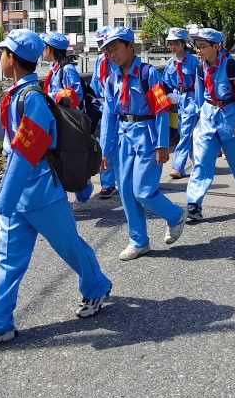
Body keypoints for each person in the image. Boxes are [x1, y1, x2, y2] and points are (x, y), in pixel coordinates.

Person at [0, 30, 112, 350]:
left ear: (12, 58)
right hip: (23, 192)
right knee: (8, 261)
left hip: (40, 191)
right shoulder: (22, 92)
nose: (0, 59)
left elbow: (27, 152)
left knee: (70, 248)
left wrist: (4, 197)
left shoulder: (32, 98)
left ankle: (96, 287)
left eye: (2, 54)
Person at [98, 27, 186, 259]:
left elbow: (161, 110)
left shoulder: (148, 74)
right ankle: (138, 241)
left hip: (148, 137)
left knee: (143, 191)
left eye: (115, 49)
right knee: (126, 192)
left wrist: (162, 145)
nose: (112, 55)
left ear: (130, 46)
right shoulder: (111, 79)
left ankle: (176, 215)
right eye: (108, 51)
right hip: (124, 139)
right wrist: (105, 151)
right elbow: (108, 116)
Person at [187, 28, 235, 220]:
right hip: (208, 119)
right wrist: (199, 118)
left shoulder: (231, 67)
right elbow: (199, 96)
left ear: (216, 47)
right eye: (197, 47)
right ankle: (194, 203)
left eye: (203, 47)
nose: (199, 51)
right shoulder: (201, 68)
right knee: (201, 161)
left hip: (231, 119)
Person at [41, 31, 93, 204]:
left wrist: (50, 95)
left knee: (71, 157)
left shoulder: (67, 69)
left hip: (68, 121)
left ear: (51, 49)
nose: (43, 52)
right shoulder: (54, 69)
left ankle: (83, 190)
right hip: (56, 120)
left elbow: (76, 94)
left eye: (44, 48)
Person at [162, 27, 200, 179]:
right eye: (170, 44)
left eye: (176, 44)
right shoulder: (170, 64)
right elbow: (165, 85)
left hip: (190, 99)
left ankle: (177, 166)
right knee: (184, 133)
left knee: (185, 133)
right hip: (175, 100)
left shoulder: (193, 62)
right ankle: (198, 162)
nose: (173, 47)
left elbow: (200, 83)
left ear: (183, 44)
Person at [90, 26, 119, 199]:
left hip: (118, 106)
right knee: (105, 144)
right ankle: (107, 183)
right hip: (103, 106)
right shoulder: (100, 60)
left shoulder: (118, 60)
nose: (102, 47)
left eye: (104, 42)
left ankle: (121, 180)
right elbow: (95, 83)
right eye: (100, 43)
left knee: (118, 144)